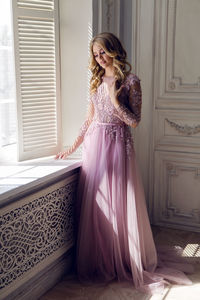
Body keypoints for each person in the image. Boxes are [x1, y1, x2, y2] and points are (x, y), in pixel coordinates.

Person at [55, 32, 193, 294]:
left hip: (118, 145)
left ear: (114, 50)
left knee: (120, 201)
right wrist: (72, 146)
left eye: (103, 52)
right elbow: (89, 118)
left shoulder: (131, 81)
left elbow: (134, 121)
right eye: (95, 54)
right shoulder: (95, 81)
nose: (99, 58)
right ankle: (104, 257)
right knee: (98, 205)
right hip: (96, 145)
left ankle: (125, 257)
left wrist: (116, 99)